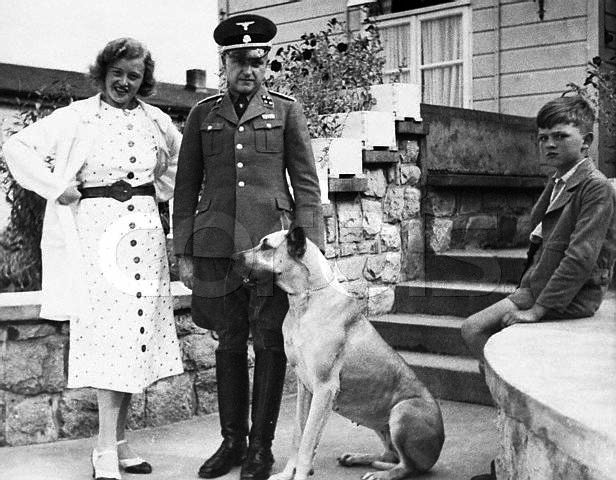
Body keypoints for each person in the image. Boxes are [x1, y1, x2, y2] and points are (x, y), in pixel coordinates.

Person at [4, 38, 184, 480]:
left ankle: (119, 443)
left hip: (144, 231)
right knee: (110, 338)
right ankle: (104, 449)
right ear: (103, 73)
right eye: (118, 73)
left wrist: (164, 188)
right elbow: (16, 147)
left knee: (137, 335)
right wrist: (53, 185)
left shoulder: (156, 120)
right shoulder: (78, 116)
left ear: (145, 80)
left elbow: (183, 163)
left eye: (134, 75)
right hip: (98, 235)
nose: (125, 82)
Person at [172, 13, 325, 480]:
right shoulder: (203, 114)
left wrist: (308, 256)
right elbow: (185, 187)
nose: (248, 70)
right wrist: (183, 253)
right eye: (239, 61)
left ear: (267, 64)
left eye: (256, 62)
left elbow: (306, 186)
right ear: (225, 63)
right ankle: (231, 443)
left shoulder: (286, 111)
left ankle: (261, 447)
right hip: (218, 250)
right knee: (229, 342)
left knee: (270, 343)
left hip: (270, 255)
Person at [461, 96, 616, 480]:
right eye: (543, 137)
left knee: (474, 328)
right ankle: (505, 430)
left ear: (587, 141)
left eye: (560, 136)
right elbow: (537, 231)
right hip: (536, 283)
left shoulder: (595, 188)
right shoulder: (560, 181)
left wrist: (538, 310)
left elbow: (580, 257)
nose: (548, 144)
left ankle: (508, 417)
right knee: (476, 332)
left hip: (569, 295)